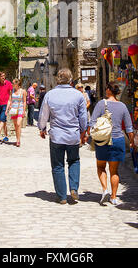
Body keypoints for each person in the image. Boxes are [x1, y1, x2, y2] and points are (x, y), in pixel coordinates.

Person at [38, 69, 88, 204]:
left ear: (57, 79)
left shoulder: (50, 95)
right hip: (73, 135)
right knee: (74, 161)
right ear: (71, 79)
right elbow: (83, 117)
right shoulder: (78, 95)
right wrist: (83, 132)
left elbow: (44, 114)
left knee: (58, 165)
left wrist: (42, 128)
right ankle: (74, 188)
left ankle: (62, 196)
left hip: (57, 136)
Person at [87, 81, 134, 206]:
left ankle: (104, 190)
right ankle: (113, 197)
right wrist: (132, 142)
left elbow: (92, 122)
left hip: (103, 140)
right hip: (118, 140)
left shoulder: (102, 104)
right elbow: (129, 128)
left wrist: (89, 135)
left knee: (101, 167)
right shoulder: (123, 106)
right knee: (114, 171)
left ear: (108, 90)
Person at [0, 71, 13, 143]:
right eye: (1, 76)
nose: (3, 77)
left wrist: (10, 104)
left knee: (1, 119)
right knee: (3, 121)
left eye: (4, 76)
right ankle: (6, 136)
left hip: (6, 104)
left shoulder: (8, 83)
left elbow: (10, 95)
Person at [6, 79, 26, 147]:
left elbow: (24, 101)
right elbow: (9, 100)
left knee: (18, 124)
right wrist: (7, 109)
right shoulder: (12, 91)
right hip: (13, 110)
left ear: (17, 84)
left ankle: (18, 141)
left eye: (13, 83)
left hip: (20, 109)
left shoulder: (23, 91)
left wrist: (23, 111)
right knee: (15, 126)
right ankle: (17, 139)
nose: (12, 84)